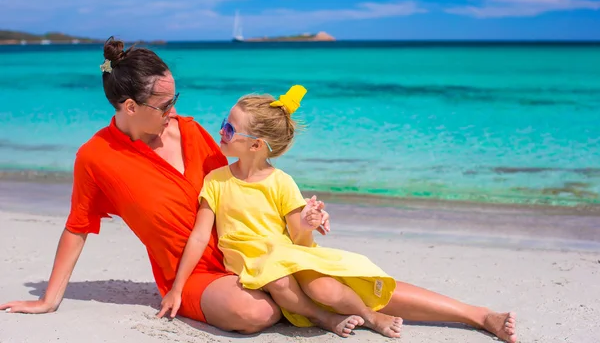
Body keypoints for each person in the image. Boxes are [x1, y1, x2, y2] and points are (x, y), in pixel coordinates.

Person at [0, 37, 517, 343]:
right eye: (165, 104)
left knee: (339, 279)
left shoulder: (196, 131)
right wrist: (49, 299)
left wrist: (302, 216)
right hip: (196, 271)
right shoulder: (96, 157)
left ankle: (476, 314)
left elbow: (250, 176)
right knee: (255, 313)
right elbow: (78, 226)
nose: (175, 111)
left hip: (255, 250)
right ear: (129, 107)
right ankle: (307, 306)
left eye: (178, 99)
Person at [157, 85, 403, 338]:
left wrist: (308, 223)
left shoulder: (281, 181)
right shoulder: (216, 180)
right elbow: (198, 236)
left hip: (285, 254)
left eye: (229, 129)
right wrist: (178, 287)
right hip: (251, 261)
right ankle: (324, 317)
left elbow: (299, 240)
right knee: (279, 281)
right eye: (224, 123)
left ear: (255, 146)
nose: (221, 131)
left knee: (325, 289)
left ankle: (371, 315)